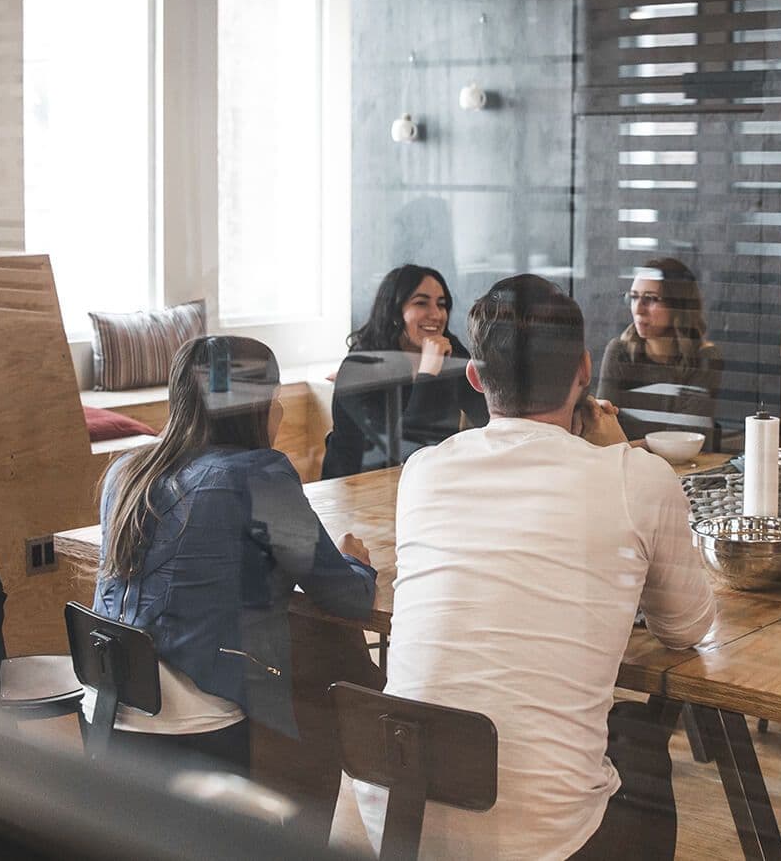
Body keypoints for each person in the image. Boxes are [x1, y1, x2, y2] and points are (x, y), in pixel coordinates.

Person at [355, 274, 716, 861]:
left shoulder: (424, 471)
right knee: (642, 744)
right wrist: (617, 452)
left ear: (475, 376)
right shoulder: (638, 478)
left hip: (400, 823)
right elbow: (687, 629)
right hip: (546, 843)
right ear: (584, 369)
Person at [89, 336, 378, 775]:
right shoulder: (259, 476)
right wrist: (357, 562)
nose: (279, 412)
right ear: (256, 406)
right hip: (193, 724)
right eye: (276, 399)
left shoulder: (124, 474)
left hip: (107, 709)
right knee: (329, 671)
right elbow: (347, 598)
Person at [322, 264, 490, 479]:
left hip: (428, 480)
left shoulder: (450, 350)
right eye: (421, 303)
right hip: (357, 490)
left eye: (442, 304)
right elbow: (405, 449)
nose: (436, 314)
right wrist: (429, 374)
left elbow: (488, 416)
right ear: (394, 312)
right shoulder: (359, 368)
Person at [597, 258, 723, 442]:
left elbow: (684, 439)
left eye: (650, 299)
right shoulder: (620, 352)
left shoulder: (704, 357)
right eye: (633, 297)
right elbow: (602, 426)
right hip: (625, 465)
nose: (638, 309)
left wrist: (626, 447)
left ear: (678, 305)